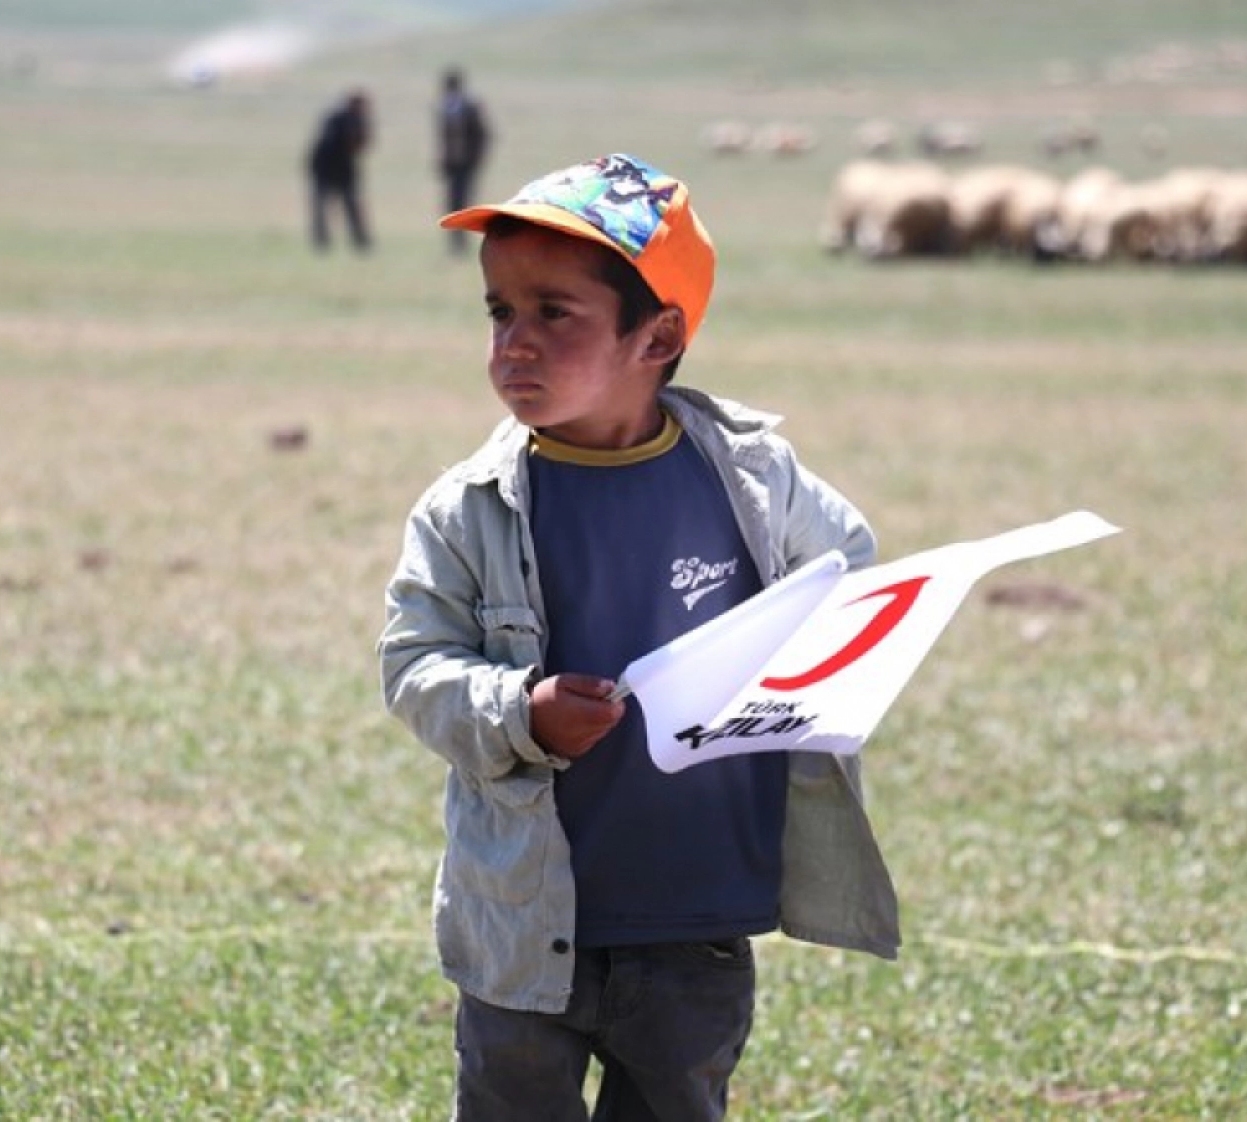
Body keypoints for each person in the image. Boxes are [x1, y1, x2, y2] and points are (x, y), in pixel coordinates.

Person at [377, 153, 900, 1121]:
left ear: (656, 334)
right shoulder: (467, 509)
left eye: (552, 313)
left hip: (694, 919)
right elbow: (412, 666)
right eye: (498, 313)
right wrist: (518, 712)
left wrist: (797, 679)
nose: (513, 345)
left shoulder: (751, 481)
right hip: (523, 925)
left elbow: (851, 581)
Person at [305, 89, 372, 252]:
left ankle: (360, 242)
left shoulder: (359, 121)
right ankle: (322, 243)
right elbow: (333, 146)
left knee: (352, 206)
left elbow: (361, 146)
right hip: (326, 168)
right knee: (321, 207)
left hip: (344, 170)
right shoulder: (337, 120)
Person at [436, 68, 492, 255]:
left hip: (467, 162)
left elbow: (483, 134)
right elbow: (443, 137)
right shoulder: (445, 107)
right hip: (452, 164)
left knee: (463, 202)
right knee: (451, 202)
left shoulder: (469, 106)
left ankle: (462, 242)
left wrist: (476, 158)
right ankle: (455, 242)